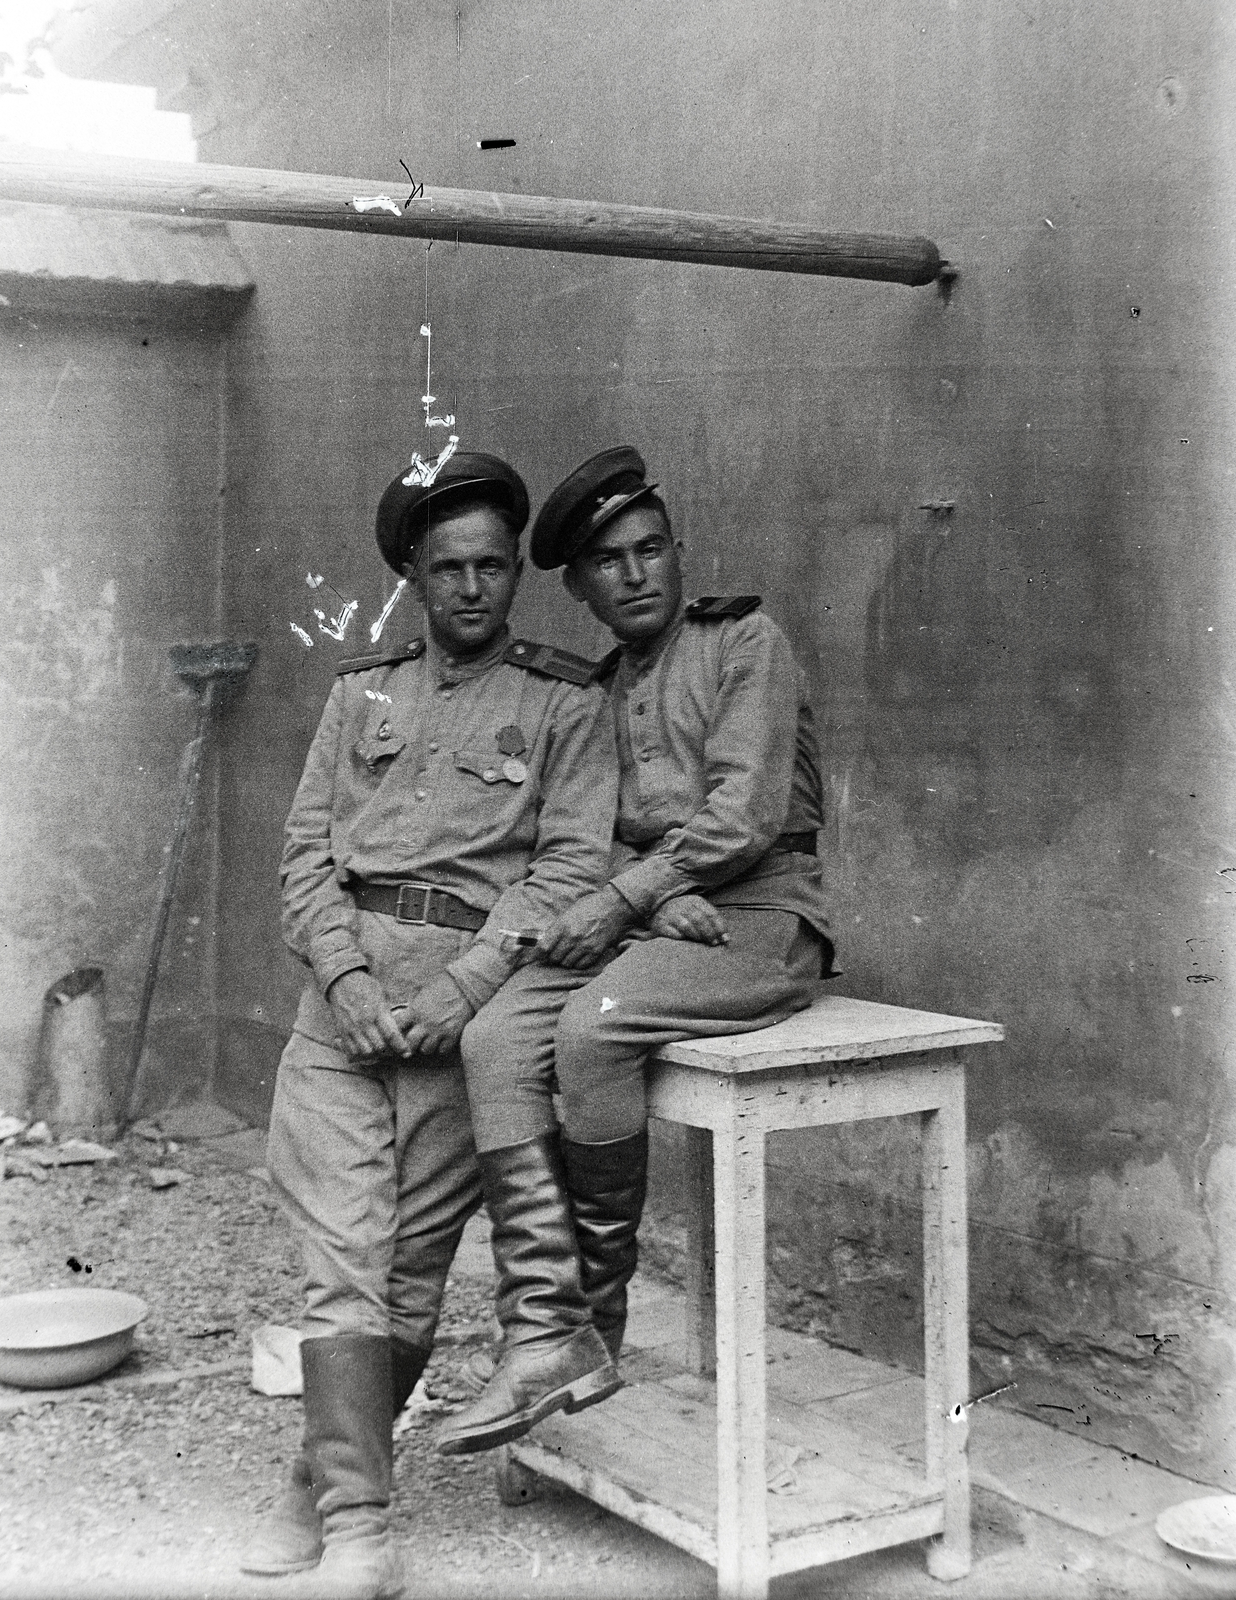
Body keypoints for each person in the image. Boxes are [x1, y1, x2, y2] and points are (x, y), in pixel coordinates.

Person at [244, 450, 619, 1597]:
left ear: (516, 575)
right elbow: (307, 851)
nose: (471, 588)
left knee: (407, 1277)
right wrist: (348, 980)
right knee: (343, 1264)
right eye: (447, 567)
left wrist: (461, 987)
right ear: (411, 573)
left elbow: (567, 864)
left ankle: (317, 1476)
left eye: (493, 568)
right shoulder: (358, 692)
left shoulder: (563, 701)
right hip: (344, 1010)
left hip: (465, 1007)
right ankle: (363, 1528)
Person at [440, 445, 836, 1457]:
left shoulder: (744, 641)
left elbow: (742, 816)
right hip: (662, 919)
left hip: (760, 912)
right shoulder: (598, 690)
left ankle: (592, 1326)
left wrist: (631, 895)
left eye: (649, 547)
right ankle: (539, 1329)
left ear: (675, 551)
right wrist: (648, 905)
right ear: (578, 586)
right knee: (490, 1035)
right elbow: (585, 830)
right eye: (607, 561)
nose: (634, 572)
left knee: (592, 1027)